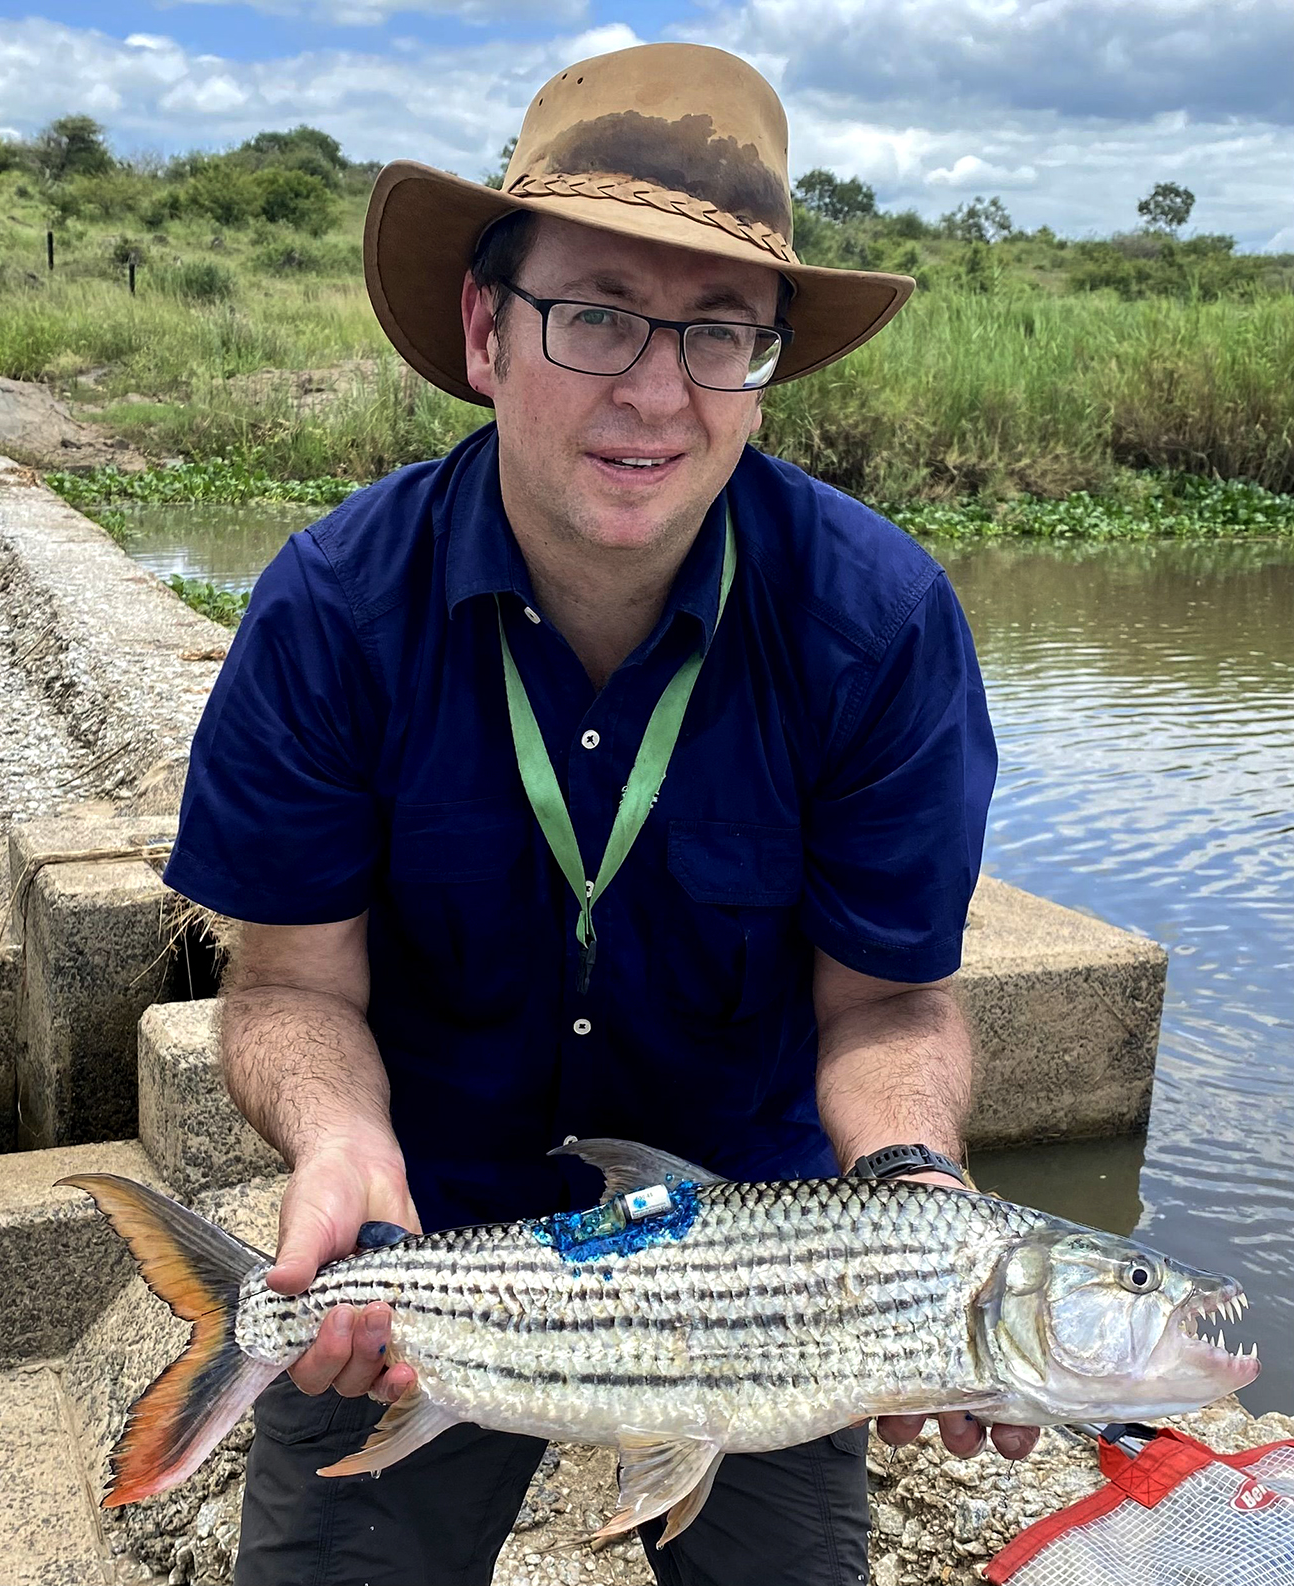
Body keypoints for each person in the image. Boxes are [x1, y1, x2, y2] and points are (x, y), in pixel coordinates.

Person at [163, 38, 1038, 1586]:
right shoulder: (329, 611)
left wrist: (913, 1199)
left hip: (769, 1275)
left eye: (720, 334)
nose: (656, 391)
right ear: (486, 330)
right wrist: (340, 1136)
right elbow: (291, 984)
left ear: (770, 363)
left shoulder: (878, 622)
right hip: (418, 1249)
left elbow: (889, 1000)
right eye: (597, 316)